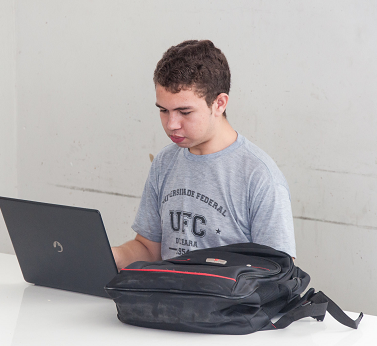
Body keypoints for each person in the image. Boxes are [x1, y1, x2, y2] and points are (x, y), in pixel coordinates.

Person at [112, 40, 296, 270]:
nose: (171, 124)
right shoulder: (164, 162)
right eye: (163, 110)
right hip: (169, 301)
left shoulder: (259, 176)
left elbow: (279, 274)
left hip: (228, 305)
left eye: (184, 112)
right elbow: (149, 249)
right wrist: (112, 256)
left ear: (219, 103)